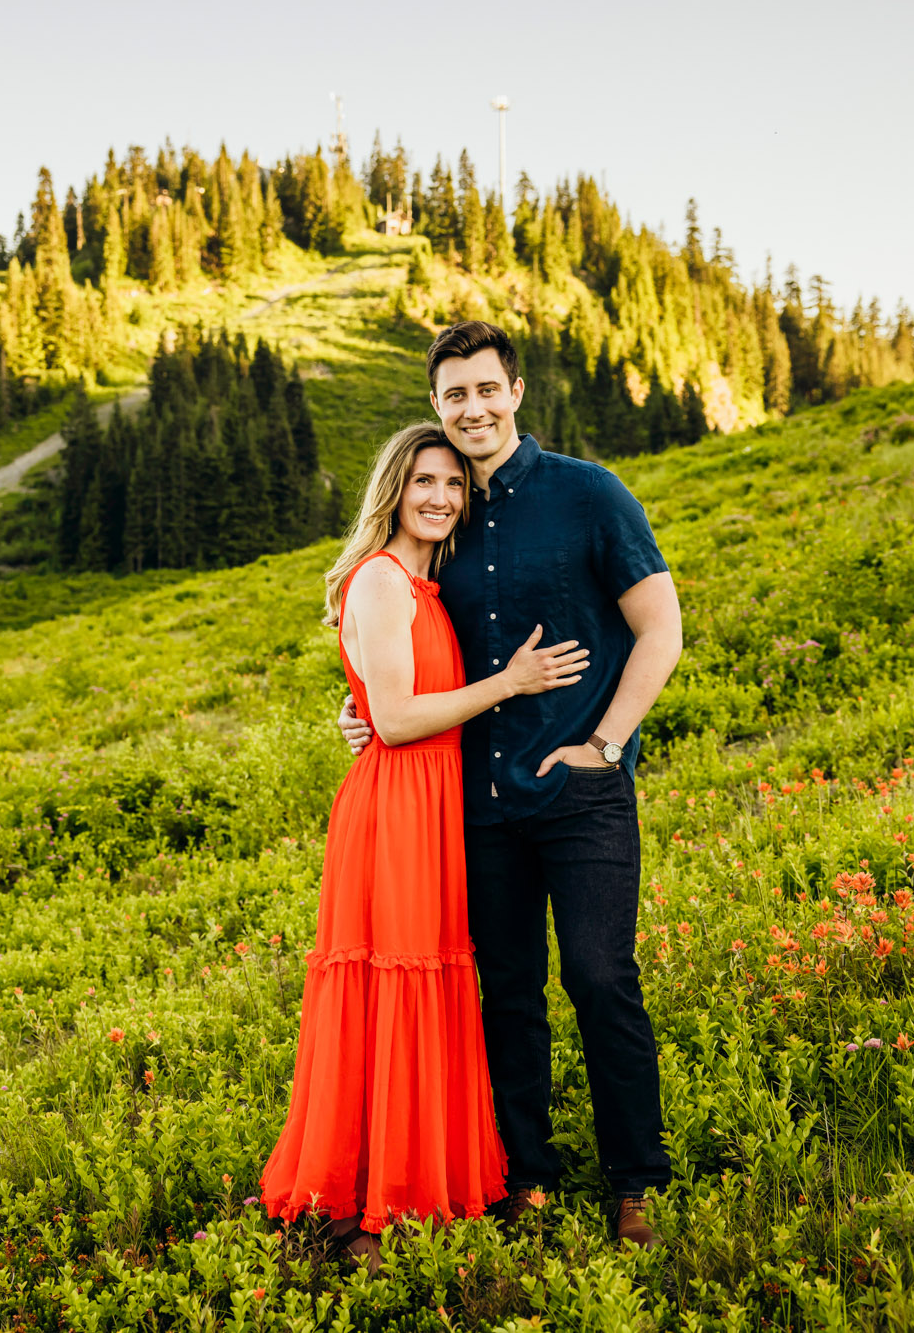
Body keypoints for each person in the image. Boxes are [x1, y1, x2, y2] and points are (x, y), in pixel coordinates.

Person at [339, 321, 683, 1248]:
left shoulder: (589, 495)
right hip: (477, 805)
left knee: (602, 977)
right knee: (509, 992)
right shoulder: (445, 511)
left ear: (517, 391)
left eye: (487, 390)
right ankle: (527, 1174)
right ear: (438, 406)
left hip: (582, 789)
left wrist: (607, 745)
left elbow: (662, 629)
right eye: (455, 396)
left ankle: (636, 1181)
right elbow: (407, 642)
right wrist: (367, 708)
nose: (473, 410)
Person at [261, 421, 593, 1274]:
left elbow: (385, 702)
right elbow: (401, 720)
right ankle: (362, 1209)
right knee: (391, 989)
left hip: (435, 807)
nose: (442, 497)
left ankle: (409, 1183)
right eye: (424, 483)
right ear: (394, 492)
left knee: (428, 987)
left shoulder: (423, 588)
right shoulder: (380, 580)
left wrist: (367, 708)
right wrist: (511, 683)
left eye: (454, 484)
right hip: (398, 807)